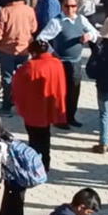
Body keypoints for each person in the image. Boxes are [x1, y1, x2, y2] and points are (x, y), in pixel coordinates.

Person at [37, 0, 98, 128]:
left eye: (73, 6)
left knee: (74, 91)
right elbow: (41, 39)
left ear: (77, 7)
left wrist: (88, 36)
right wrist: (52, 53)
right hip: (61, 62)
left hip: (76, 61)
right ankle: (60, 119)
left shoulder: (81, 19)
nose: (70, 9)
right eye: (67, 6)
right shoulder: (57, 21)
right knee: (61, 92)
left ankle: (71, 116)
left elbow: (95, 34)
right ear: (62, 6)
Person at [12, 40, 67, 170]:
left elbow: (17, 86)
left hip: (34, 109)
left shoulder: (30, 66)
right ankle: (46, 164)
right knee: (46, 137)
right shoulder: (57, 63)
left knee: (34, 139)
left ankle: (34, 165)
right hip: (49, 106)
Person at [0, 0, 37, 115]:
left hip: (6, 49)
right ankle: (23, 103)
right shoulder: (29, 10)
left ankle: (7, 106)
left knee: (7, 77)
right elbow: (34, 28)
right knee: (23, 78)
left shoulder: (4, 11)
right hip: (24, 49)